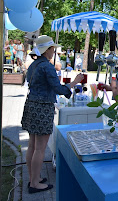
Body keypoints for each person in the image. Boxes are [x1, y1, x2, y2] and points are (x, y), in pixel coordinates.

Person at [21, 35, 84, 194]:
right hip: (42, 108)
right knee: (40, 148)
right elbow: (59, 89)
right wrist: (75, 81)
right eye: (52, 48)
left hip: (31, 105)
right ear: (47, 50)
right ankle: (35, 184)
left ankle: (32, 178)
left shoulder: (33, 65)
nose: (53, 51)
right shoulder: (47, 66)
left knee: (32, 145)